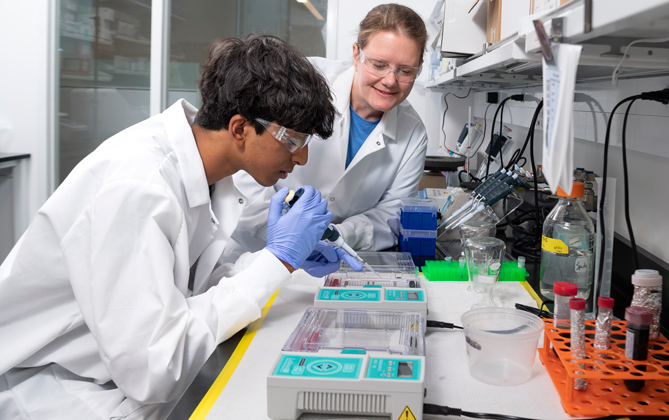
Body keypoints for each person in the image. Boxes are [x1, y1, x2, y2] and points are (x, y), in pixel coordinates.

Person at [0, 34, 359, 420]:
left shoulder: (207, 171)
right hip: (52, 388)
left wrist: (280, 261)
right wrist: (276, 261)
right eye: (293, 140)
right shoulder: (138, 187)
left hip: (109, 373)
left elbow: (187, 287)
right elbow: (155, 369)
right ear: (240, 128)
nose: (302, 157)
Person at [229, 3, 428, 255]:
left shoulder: (413, 134)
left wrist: (337, 236)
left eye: (405, 71)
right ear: (357, 55)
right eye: (378, 65)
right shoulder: (304, 80)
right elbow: (245, 157)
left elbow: (391, 214)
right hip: (254, 247)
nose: (390, 80)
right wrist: (290, 233)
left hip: (333, 257)